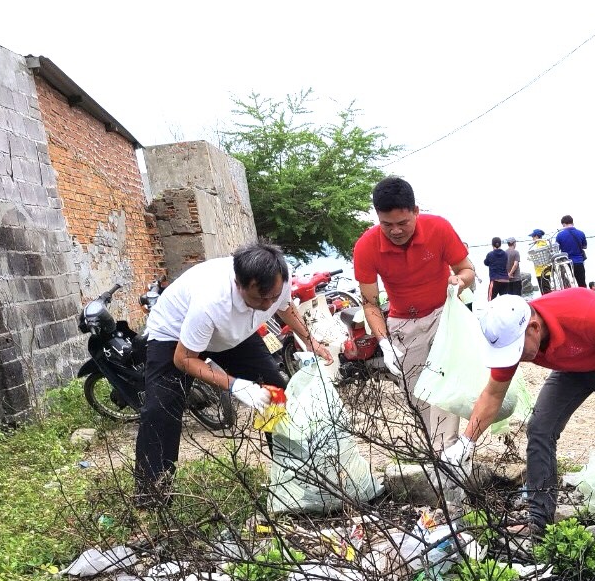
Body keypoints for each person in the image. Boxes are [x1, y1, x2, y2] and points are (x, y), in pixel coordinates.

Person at [443, 288, 595, 536]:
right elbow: (493, 394)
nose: (516, 358)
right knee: (540, 429)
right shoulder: (514, 336)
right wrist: (466, 442)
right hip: (572, 368)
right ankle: (539, 524)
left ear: (533, 327)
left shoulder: (584, 314)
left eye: (518, 350)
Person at [133, 241, 332, 504]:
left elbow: (285, 307)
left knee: (274, 390)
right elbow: (183, 359)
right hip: (174, 334)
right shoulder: (212, 301)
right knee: (161, 410)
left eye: (272, 295)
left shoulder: (277, 278)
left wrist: (310, 340)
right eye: (260, 298)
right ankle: (152, 495)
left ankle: (291, 473)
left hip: (233, 333)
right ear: (239, 285)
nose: (267, 303)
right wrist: (236, 385)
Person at [353, 176, 475, 452]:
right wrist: (384, 343)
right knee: (419, 401)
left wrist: (460, 281)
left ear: (416, 211)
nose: (395, 231)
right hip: (403, 326)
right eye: (387, 225)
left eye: (402, 223)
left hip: (444, 317)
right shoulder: (366, 246)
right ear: (378, 218)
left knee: (445, 394)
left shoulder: (439, 228)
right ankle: (441, 456)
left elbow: (466, 269)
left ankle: (450, 459)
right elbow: (370, 303)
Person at [554, 215, 589, 288]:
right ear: (572, 222)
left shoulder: (559, 235)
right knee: (582, 284)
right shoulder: (581, 233)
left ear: (563, 224)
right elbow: (584, 246)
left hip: (566, 264)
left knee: (568, 286)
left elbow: (557, 249)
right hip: (579, 262)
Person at [528, 228, 554, 295]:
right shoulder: (544, 244)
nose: (532, 239)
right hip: (546, 271)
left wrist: (531, 258)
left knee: (545, 292)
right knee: (547, 289)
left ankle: (548, 304)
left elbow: (539, 260)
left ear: (536, 236)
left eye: (533, 237)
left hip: (541, 272)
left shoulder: (540, 246)